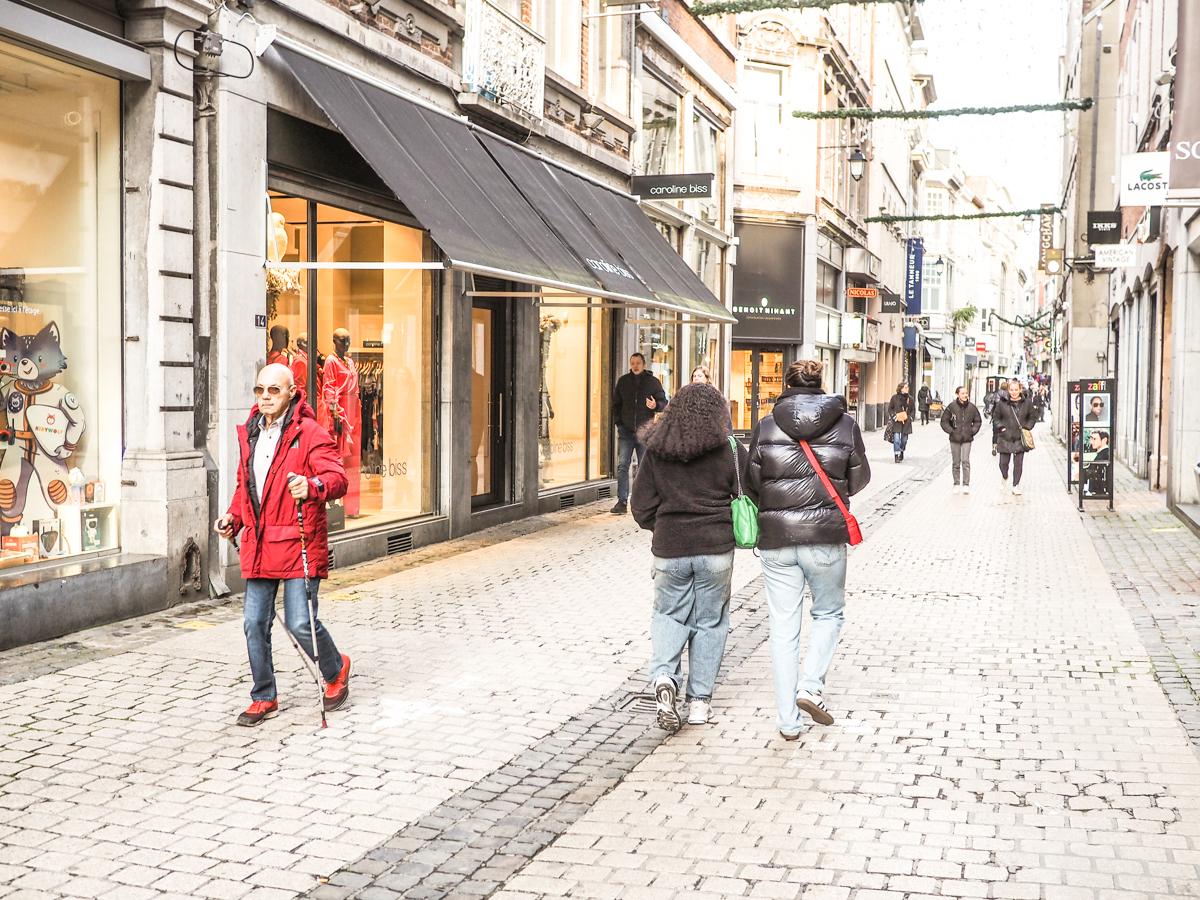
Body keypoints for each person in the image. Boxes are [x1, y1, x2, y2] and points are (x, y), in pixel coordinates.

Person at [215, 363, 353, 726]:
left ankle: (335, 669)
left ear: (292, 392)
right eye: (260, 390)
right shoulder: (251, 434)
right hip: (260, 543)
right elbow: (246, 489)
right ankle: (264, 696)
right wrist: (234, 518)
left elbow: (337, 479)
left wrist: (313, 486)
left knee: (300, 623)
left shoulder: (309, 433)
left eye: (273, 390)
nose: (265, 397)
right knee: (253, 623)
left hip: (298, 540)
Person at [746, 360, 871, 740]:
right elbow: (861, 476)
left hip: (777, 539)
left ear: (787, 385)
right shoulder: (845, 424)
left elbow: (754, 480)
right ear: (821, 384)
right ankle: (810, 685)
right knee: (829, 614)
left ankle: (787, 722)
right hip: (825, 536)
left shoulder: (767, 425)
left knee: (783, 629)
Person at [631, 383, 746, 732]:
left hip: (670, 548)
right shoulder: (728, 448)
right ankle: (699, 703)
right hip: (715, 549)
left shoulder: (657, 449)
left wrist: (662, 527)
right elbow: (748, 492)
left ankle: (665, 677)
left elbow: (640, 507)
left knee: (668, 615)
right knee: (710, 622)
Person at [611, 353, 668, 515]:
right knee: (623, 465)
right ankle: (622, 502)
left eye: (638, 363)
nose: (635, 366)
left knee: (644, 467)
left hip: (645, 432)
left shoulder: (653, 382)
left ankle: (642, 502)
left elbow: (664, 403)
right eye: (632, 363)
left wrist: (655, 404)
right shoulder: (623, 382)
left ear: (643, 364)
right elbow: (616, 405)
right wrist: (619, 424)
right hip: (626, 432)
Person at [993, 378, 1037, 496]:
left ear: (1020, 390)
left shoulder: (1027, 403)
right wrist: (1001, 428)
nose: (1013, 392)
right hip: (1005, 437)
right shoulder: (1002, 403)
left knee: (1018, 464)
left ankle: (1015, 485)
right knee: (1003, 463)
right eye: (1011, 390)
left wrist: (1027, 427)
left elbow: (1033, 417)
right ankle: (1004, 476)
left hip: (1019, 438)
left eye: (1016, 390)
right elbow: (996, 418)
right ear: (1008, 390)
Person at [940, 386, 982, 494]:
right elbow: (944, 421)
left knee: (965, 461)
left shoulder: (972, 408)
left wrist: (972, 431)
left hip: (967, 438)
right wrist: (951, 431)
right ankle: (956, 483)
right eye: (962, 393)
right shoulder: (951, 407)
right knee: (956, 462)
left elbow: (978, 421)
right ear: (957, 394)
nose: (965, 395)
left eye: (966, 393)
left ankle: (966, 484)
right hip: (955, 438)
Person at [886, 382, 914, 462]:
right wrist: (894, 416)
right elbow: (890, 408)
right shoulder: (894, 398)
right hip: (897, 421)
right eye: (905, 387)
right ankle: (896, 455)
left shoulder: (910, 399)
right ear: (901, 388)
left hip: (907, 422)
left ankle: (901, 451)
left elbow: (913, 410)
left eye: (907, 387)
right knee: (897, 439)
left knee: (904, 440)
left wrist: (911, 417)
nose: (907, 389)